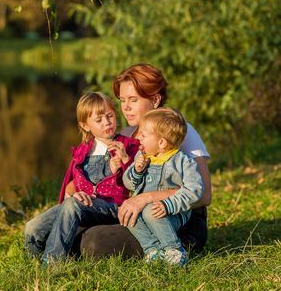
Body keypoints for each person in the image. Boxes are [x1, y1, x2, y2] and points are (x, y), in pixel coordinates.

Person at [78, 64, 212, 258]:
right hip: (135, 214)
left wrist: (145, 199)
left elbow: (204, 195)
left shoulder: (178, 130)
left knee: (93, 242)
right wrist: (74, 192)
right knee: (77, 227)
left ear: (155, 99)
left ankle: (171, 249)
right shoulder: (125, 135)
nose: (125, 107)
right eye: (122, 100)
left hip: (175, 219)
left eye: (133, 99)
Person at [24, 92, 140, 264]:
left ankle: (51, 265)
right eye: (99, 120)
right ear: (85, 126)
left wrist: (125, 161)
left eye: (110, 116)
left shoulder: (129, 146)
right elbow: (73, 184)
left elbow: (137, 181)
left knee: (72, 206)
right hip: (82, 205)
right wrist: (74, 195)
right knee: (32, 229)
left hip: (112, 207)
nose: (107, 122)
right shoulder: (82, 152)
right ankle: (32, 264)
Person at [123, 108, 204, 265]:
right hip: (147, 210)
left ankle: (174, 249)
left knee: (150, 212)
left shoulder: (182, 162)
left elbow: (195, 189)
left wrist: (168, 205)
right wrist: (136, 171)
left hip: (174, 212)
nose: (138, 137)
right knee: (129, 214)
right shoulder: (143, 157)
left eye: (143, 135)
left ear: (161, 142)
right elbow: (128, 183)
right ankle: (153, 250)